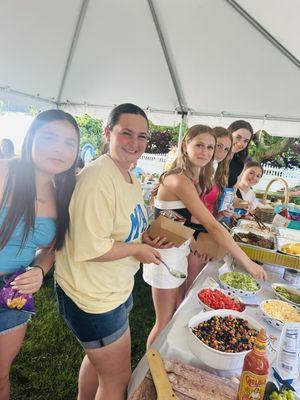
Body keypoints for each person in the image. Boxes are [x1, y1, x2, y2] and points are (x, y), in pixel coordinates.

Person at [55, 103, 161, 400]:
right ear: (107, 133)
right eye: (126, 133)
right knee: (117, 379)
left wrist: (149, 238)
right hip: (92, 297)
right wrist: (139, 249)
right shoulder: (97, 179)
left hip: (114, 289)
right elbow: (92, 247)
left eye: (142, 136)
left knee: (98, 361)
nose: (135, 142)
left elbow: (124, 227)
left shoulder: (128, 174)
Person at [143, 124, 267, 347]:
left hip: (177, 249)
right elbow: (212, 225)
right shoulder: (179, 178)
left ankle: (158, 361)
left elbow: (176, 217)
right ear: (185, 146)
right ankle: (146, 371)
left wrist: (189, 238)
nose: (205, 151)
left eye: (210, 147)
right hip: (165, 256)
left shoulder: (194, 178)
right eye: (199, 145)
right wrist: (247, 262)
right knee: (164, 321)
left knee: (173, 316)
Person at [0, 109, 80, 400]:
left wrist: (39, 270)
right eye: (49, 137)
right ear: (31, 138)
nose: (59, 148)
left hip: (14, 294)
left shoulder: (65, 191)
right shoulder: (5, 173)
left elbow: (51, 248)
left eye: (69, 142)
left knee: (1, 375)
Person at [185, 127, 234, 292]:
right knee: (190, 285)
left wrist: (219, 214)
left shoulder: (215, 172)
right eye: (218, 146)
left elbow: (208, 212)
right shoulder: (195, 171)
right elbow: (185, 212)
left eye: (226, 149)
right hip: (192, 233)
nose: (221, 152)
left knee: (198, 284)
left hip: (205, 231)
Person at [227, 120, 254, 188]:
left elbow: (233, 191)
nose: (241, 143)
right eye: (238, 137)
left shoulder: (239, 164)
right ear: (229, 134)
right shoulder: (213, 158)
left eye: (246, 141)